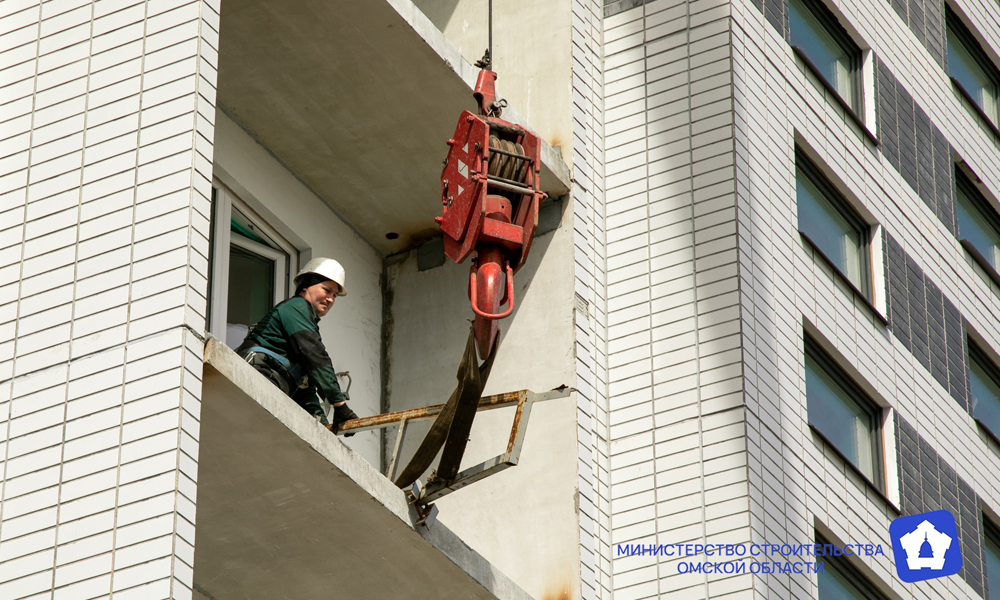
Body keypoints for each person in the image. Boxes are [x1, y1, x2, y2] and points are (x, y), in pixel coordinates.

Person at [236, 257, 359, 435]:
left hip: (271, 385)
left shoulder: (304, 322)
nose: (330, 299)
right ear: (305, 287)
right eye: (326, 290)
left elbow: (306, 385)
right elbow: (316, 357)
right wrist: (339, 404)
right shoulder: (296, 307)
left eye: (334, 295)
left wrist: (323, 430)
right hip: (256, 376)